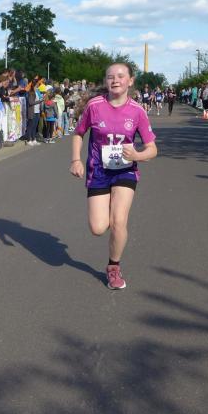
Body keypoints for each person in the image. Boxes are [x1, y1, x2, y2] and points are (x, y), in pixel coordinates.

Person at [70, 63, 157, 290]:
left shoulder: (137, 111)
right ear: (105, 81)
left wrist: (137, 155)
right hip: (98, 171)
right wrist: (76, 160)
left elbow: (152, 149)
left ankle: (113, 267)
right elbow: (79, 133)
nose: (115, 80)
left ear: (130, 81)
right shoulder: (95, 106)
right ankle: (108, 210)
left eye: (120, 76)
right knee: (98, 228)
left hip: (125, 171)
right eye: (110, 77)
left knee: (119, 222)